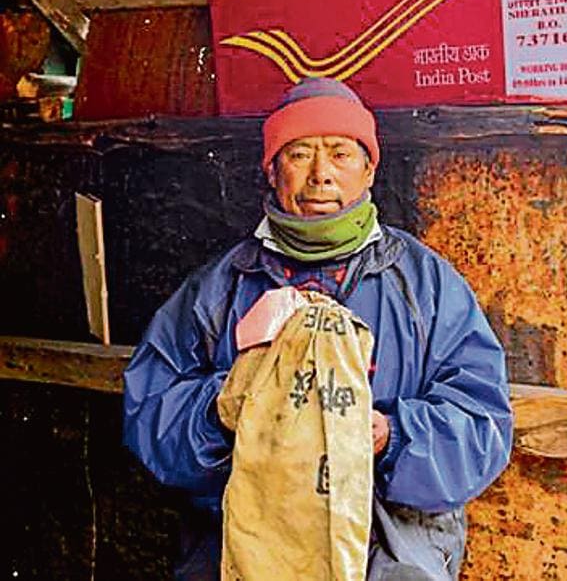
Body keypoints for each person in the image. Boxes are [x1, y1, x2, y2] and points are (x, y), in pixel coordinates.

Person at [122, 77, 513, 581]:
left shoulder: (426, 285)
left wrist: (388, 437)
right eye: (299, 154)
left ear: (369, 169)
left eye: (341, 154)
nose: (321, 175)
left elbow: (483, 427)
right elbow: (146, 410)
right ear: (271, 169)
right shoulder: (220, 289)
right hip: (245, 552)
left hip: (389, 550)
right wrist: (223, 411)